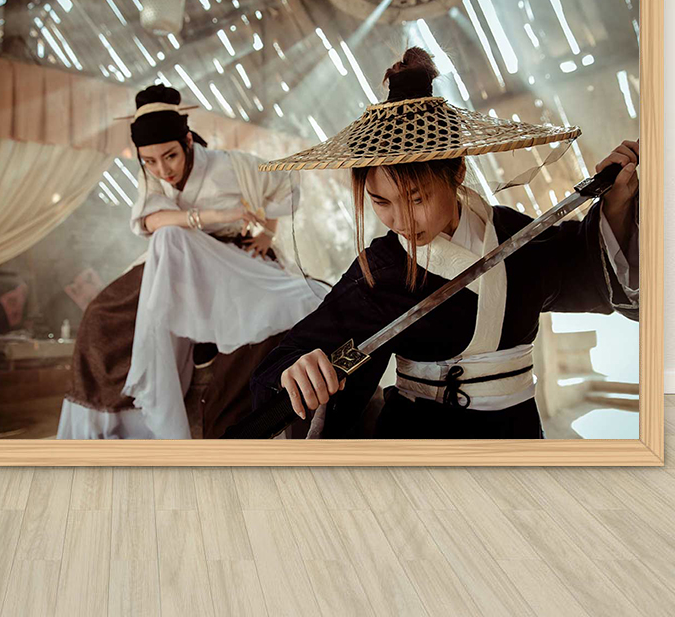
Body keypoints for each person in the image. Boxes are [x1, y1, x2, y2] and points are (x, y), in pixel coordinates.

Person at [250, 47, 639, 439]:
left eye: (417, 199)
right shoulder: (382, 269)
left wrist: (618, 205)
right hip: (419, 433)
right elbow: (297, 351)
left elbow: (589, 265)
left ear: (458, 170)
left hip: (517, 430)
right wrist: (298, 370)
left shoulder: (513, 234)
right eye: (381, 202)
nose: (401, 221)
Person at [57, 85, 328, 439]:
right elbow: (152, 221)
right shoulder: (152, 176)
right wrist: (216, 215)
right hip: (177, 259)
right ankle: (114, 427)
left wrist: (267, 234)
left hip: (232, 258)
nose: (162, 170)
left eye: (170, 156)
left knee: (296, 305)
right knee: (100, 316)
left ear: (187, 140)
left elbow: (284, 184)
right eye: (149, 161)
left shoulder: (232, 165)